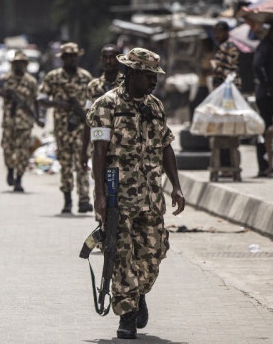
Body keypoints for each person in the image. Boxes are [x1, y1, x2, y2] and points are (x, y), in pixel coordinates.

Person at [87, 47, 185, 339]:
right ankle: (127, 315)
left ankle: (139, 293)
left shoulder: (156, 106)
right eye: (147, 75)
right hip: (119, 196)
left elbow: (166, 146)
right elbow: (98, 150)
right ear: (131, 73)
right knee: (120, 254)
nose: (153, 81)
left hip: (152, 197)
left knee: (154, 253)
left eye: (155, 75)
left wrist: (176, 186)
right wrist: (100, 193)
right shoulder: (107, 104)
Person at [38, 42, 93, 214]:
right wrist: (59, 103)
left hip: (81, 128)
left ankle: (84, 200)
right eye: (67, 56)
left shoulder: (85, 77)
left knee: (82, 162)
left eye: (73, 56)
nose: (71, 59)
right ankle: (68, 200)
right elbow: (41, 98)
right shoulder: (53, 77)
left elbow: (93, 101)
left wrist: (83, 111)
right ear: (62, 58)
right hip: (62, 129)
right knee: (66, 164)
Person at [0, 51, 41, 192]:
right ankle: (10, 169)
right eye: (16, 63)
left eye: (21, 63)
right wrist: (3, 93)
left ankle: (19, 179)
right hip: (9, 121)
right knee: (7, 149)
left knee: (23, 152)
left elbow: (37, 101)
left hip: (25, 123)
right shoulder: (5, 78)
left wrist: (39, 117)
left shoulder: (31, 82)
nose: (19, 66)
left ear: (26, 65)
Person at [81, 44, 124, 171]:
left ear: (119, 59)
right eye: (105, 58)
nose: (108, 61)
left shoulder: (127, 84)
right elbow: (88, 119)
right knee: (100, 186)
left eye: (112, 57)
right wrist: (84, 151)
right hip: (99, 146)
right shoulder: (93, 86)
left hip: (122, 147)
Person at [253, 23, 273, 177]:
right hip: (267, 96)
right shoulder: (265, 46)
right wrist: (268, 85)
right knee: (267, 130)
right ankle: (264, 166)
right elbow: (257, 66)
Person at [211, 21, 242, 89]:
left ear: (226, 32)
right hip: (227, 85)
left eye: (219, 33)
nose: (216, 35)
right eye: (215, 33)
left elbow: (224, 70)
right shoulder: (224, 46)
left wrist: (214, 65)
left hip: (227, 86)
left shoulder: (227, 48)